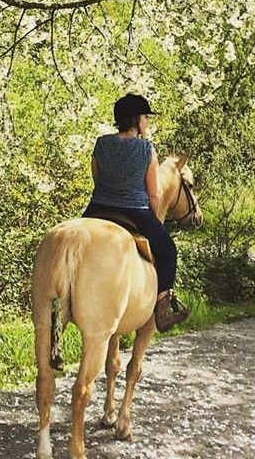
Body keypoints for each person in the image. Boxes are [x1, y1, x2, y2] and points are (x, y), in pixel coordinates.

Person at [82, 93, 189, 332]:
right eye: (145, 117)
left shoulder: (101, 143)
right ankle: (163, 310)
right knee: (168, 252)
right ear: (135, 120)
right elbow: (154, 194)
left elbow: (97, 179)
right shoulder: (145, 149)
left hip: (97, 208)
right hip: (135, 212)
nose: (147, 121)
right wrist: (156, 218)